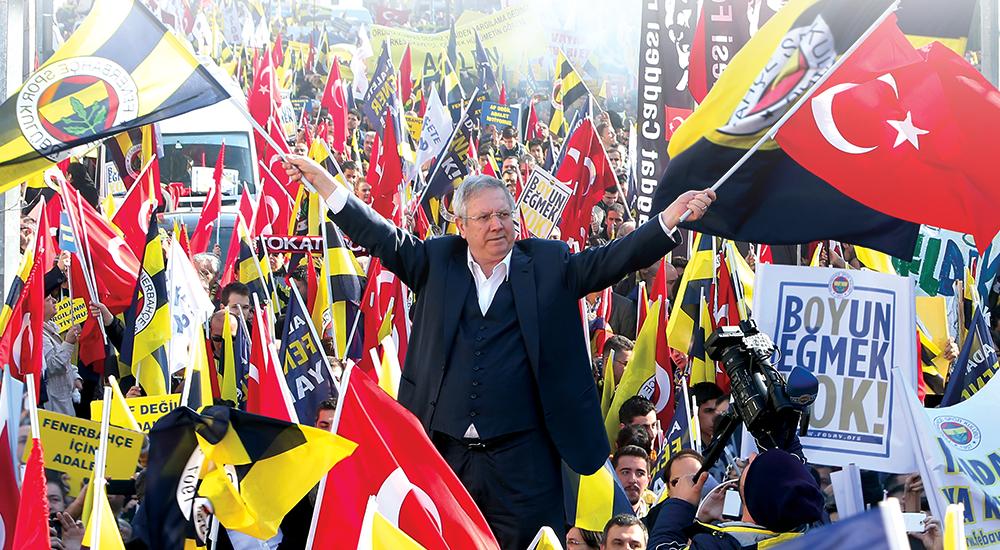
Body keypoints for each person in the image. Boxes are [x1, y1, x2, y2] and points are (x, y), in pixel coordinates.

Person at [282, 154, 716, 548]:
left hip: (523, 462)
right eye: (484, 216)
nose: (496, 225)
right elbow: (380, 237)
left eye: (505, 215)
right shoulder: (436, 262)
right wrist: (324, 183)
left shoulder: (548, 264)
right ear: (461, 225)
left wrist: (668, 218)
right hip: (444, 455)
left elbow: (611, 260)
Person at [650, 449, 824, 548]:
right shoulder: (808, 537)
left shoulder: (722, 546)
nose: (751, 455)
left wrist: (680, 504)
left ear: (755, 492)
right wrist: (701, 518)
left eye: (754, 464)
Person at [42, 270, 82, 416]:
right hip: (55, 407)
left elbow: (64, 363)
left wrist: (76, 377)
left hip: (64, 401)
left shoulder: (50, 328)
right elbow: (52, 366)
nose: (54, 301)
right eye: (48, 299)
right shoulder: (39, 334)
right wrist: (69, 343)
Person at [613, 445, 653, 517]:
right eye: (625, 472)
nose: (632, 480)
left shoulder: (657, 519)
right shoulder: (595, 517)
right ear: (612, 476)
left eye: (640, 473)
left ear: (649, 481)